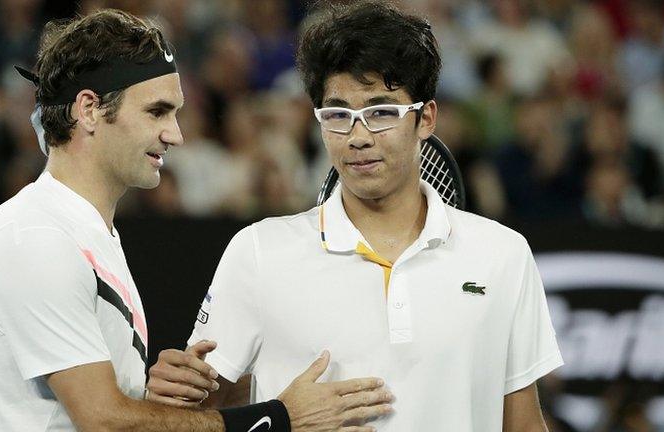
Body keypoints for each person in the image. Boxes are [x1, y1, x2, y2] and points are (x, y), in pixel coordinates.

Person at [0, 9, 393, 432]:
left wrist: (148, 395)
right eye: (157, 111)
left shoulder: (84, 235)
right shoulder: (38, 239)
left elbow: (90, 413)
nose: (175, 134)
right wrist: (278, 419)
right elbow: (103, 421)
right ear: (88, 110)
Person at [148, 2, 564, 431]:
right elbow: (200, 409)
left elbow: (524, 424)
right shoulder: (258, 251)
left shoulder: (503, 255)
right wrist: (175, 397)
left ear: (426, 118)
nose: (358, 136)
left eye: (381, 112)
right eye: (338, 115)